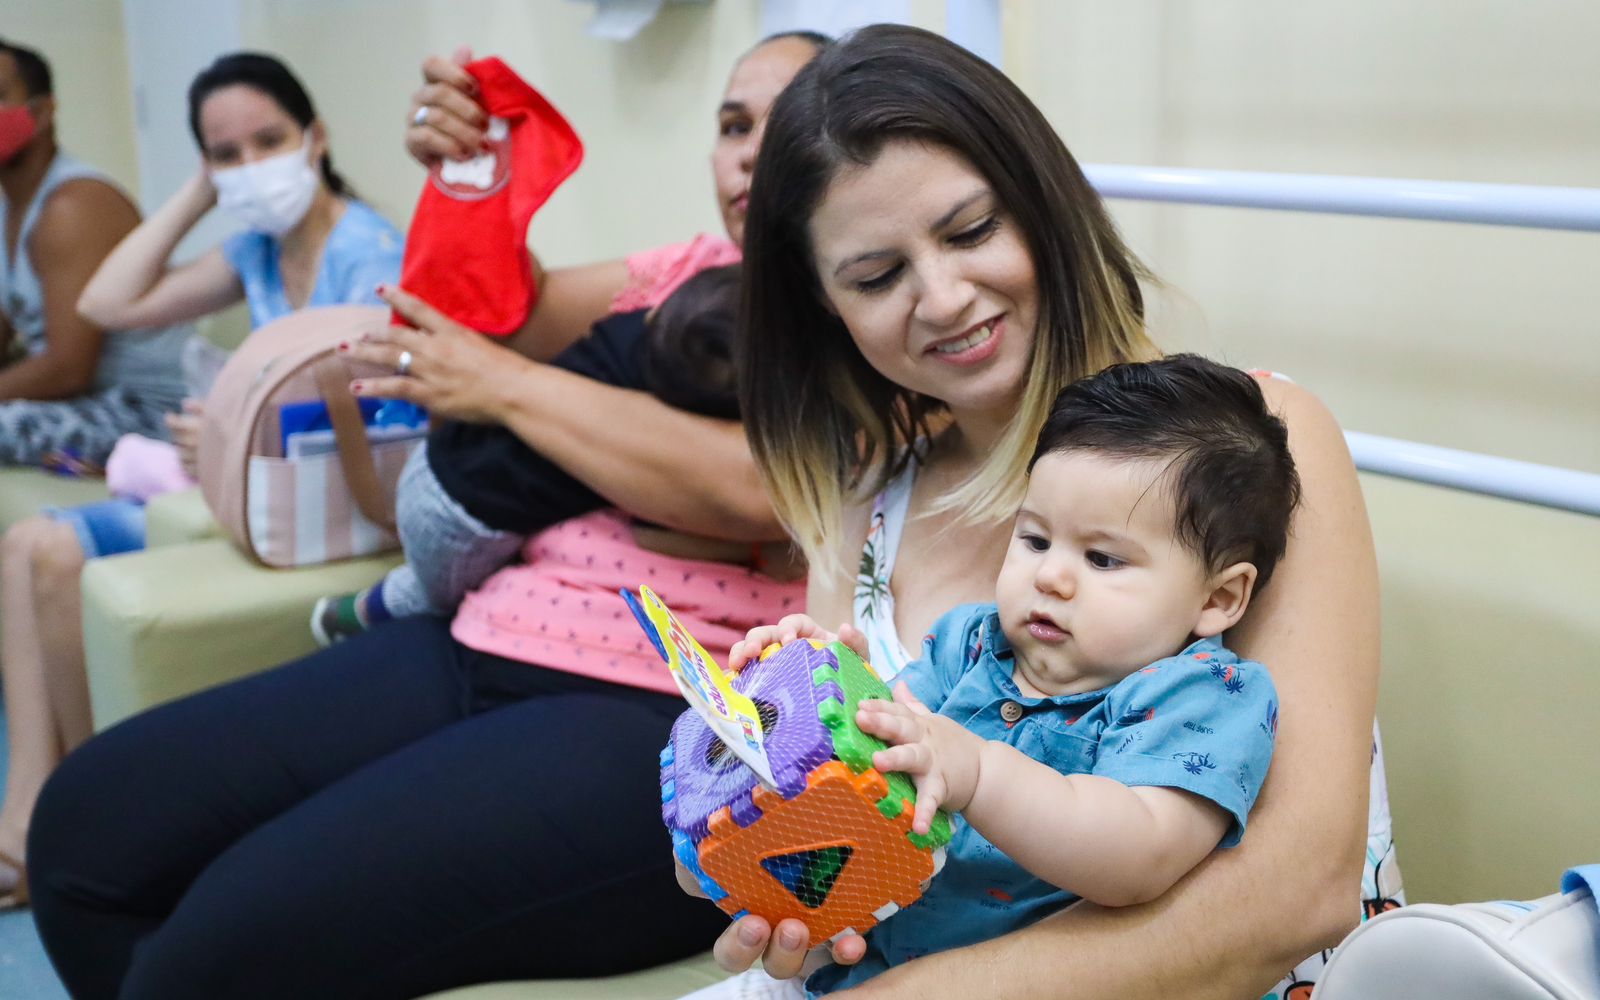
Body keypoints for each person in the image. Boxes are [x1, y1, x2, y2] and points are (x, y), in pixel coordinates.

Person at [25, 32, 828, 998]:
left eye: (782, 120)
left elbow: (765, 484)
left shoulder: (863, 306)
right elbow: (497, 311)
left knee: (202, 964)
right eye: (732, 123)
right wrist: (470, 177)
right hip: (482, 628)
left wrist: (506, 390)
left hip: (653, 707)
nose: (748, 149)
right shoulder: (685, 269)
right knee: (85, 828)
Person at [698, 24, 1394, 999]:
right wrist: (792, 873)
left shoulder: (1258, 441)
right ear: (826, 308)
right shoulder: (864, 505)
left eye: (971, 231)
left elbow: (1299, 892)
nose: (941, 297)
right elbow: (858, 818)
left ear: (1044, 208)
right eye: (875, 276)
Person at [698, 354, 1296, 998]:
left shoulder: (1203, 693)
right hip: (864, 966)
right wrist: (823, 690)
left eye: (1102, 558)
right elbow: (887, 758)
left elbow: (1139, 854)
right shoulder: (970, 642)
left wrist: (980, 773)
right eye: (1035, 540)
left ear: (1218, 600)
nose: (1050, 576)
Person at [0, 50, 401, 910]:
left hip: (315, 513)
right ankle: (35, 811)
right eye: (226, 153)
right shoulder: (255, 247)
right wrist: (197, 195)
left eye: (270, 140)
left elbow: (382, 429)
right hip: (243, 495)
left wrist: (224, 434)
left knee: (56, 556)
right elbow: (106, 306)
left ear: (316, 137)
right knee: (30, 544)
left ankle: (70, 824)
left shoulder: (366, 251)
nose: (252, 165)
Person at [311, 263, 744, 645]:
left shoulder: (639, 323)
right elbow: (654, 535)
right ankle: (362, 615)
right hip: (455, 518)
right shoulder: (660, 439)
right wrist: (748, 551)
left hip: (438, 456)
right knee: (430, 596)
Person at [0, 37, 189, 470]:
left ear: (42, 112)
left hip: (157, 412)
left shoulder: (73, 207)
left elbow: (68, 370)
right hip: (95, 402)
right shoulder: (7, 210)